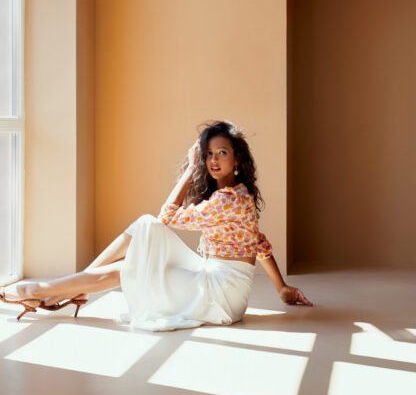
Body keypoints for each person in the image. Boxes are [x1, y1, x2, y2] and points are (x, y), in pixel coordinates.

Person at [0, 120, 313, 327]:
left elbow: (167, 219)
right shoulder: (240, 194)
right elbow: (259, 241)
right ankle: (65, 290)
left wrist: (189, 170)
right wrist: (281, 287)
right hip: (222, 285)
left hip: (220, 295)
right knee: (142, 238)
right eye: (207, 154)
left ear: (237, 159)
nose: (213, 160)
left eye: (222, 153)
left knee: (140, 246)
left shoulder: (227, 200)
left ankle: (47, 290)